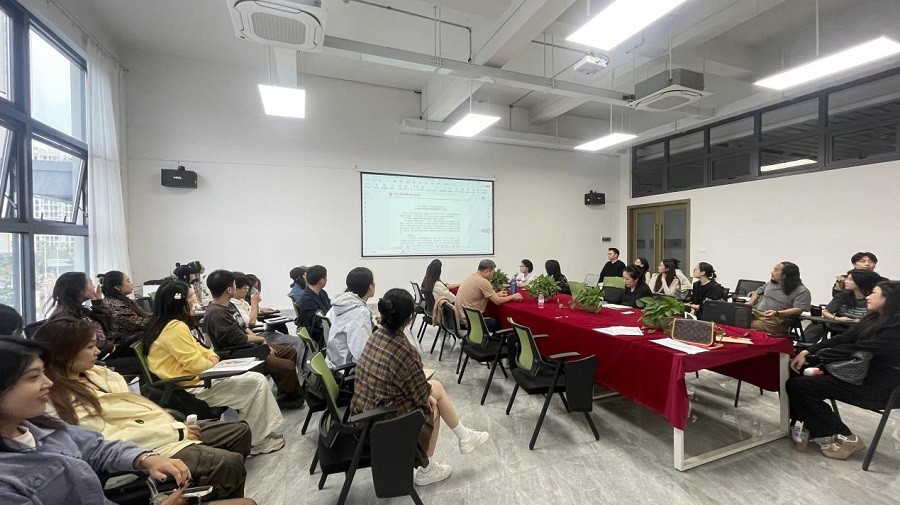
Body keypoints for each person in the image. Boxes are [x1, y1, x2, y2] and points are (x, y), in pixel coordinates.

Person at [34, 318, 252, 501]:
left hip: (159, 429)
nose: (98, 351)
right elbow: (108, 439)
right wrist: (177, 431)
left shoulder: (97, 374)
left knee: (238, 431)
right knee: (227, 462)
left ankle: (217, 491)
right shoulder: (59, 399)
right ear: (66, 353)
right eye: (90, 347)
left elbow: (136, 411)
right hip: (145, 445)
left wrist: (175, 426)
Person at [0, 336, 192, 504]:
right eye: (33, 377)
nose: (48, 382)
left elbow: (96, 447)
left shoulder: (38, 424)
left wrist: (145, 458)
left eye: (44, 373)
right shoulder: (6, 480)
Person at [350, 289, 490, 487]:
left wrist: (425, 395)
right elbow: (421, 395)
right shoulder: (405, 350)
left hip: (363, 414)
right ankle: (428, 469)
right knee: (434, 407)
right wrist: (426, 397)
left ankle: (465, 436)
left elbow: (413, 387)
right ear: (410, 318)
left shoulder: (376, 336)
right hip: (381, 425)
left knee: (435, 389)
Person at [142, 281, 285, 456]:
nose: (195, 300)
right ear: (181, 302)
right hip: (192, 385)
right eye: (191, 296)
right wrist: (212, 362)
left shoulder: (164, 325)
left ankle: (257, 435)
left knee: (254, 380)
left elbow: (202, 348)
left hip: (196, 379)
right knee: (256, 382)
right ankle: (254, 441)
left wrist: (211, 357)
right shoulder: (174, 328)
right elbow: (196, 364)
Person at [787, 281, 900, 460]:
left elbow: (859, 348)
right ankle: (809, 425)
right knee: (794, 370)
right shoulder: (873, 319)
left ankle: (846, 437)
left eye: (874, 293)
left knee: (800, 385)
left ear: (889, 299)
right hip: (856, 374)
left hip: (877, 386)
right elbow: (846, 338)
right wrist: (808, 351)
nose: (868, 297)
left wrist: (815, 357)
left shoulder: (896, 329)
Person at [202, 270, 302, 405]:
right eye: (234, 284)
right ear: (229, 289)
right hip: (235, 354)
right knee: (287, 366)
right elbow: (239, 339)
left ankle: (285, 392)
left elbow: (243, 327)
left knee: (290, 352)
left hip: (246, 347)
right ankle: (291, 399)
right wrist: (262, 341)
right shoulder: (216, 313)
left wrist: (261, 344)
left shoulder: (228, 305)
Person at [230, 272, 302, 364]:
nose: (247, 290)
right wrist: (254, 303)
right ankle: (304, 371)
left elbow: (252, 315)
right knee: (297, 341)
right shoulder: (233, 305)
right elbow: (250, 322)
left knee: (293, 340)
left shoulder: (241, 302)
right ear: (236, 289)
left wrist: (258, 306)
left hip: (262, 332)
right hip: (259, 334)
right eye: (245, 288)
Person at [803, 269, 883, 344]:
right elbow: (826, 312)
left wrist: (860, 321)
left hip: (862, 327)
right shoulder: (843, 295)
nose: (846, 281)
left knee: (855, 328)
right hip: (840, 323)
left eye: (850, 280)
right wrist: (837, 319)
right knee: (818, 324)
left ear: (861, 282)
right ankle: (802, 346)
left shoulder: (874, 298)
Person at [46, 272, 114, 355]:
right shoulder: (65, 316)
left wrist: (98, 303)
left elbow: (106, 328)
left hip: (100, 351)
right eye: (91, 283)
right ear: (80, 290)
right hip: (93, 356)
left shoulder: (78, 309)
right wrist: (112, 348)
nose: (94, 287)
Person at [326, 267, 377, 367]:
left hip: (335, 361)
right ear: (370, 286)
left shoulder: (340, 303)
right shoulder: (360, 313)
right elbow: (362, 354)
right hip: (348, 368)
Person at [455, 259, 522, 331]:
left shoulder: (471, 277)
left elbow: (479, 295)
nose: (492, 276)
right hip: (469, 322)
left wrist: (496, 294)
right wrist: (513, 296)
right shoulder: (483, 281)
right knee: (498, 323)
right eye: (492, 273)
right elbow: (497, 301)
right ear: (487, 271)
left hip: (460, 319)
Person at [747, 262, 812, 334]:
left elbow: (798, 309)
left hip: (776, 320)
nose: (772, 273)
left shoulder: (801, 291)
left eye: (776, 270)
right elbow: (757, 292)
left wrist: (777, 313)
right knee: (738, 319)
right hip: (757, 314)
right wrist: (750, 302)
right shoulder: (771, 283)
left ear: (784, 275)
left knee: (747, 324)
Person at [98, 270, 149, 347]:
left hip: (135, 339)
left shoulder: (122, 300)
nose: (131, 284)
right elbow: (141, 323)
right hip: (126, 345)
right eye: (127, 281)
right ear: (117, 287)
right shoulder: (115, 305)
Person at [297, 265, 332, 348]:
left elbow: (330, 310)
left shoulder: (322, 293)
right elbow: (320, 323)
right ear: (321, 280)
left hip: (326, 326)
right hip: (319, 333)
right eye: (325, 277)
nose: (326, 279)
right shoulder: (307, 300)